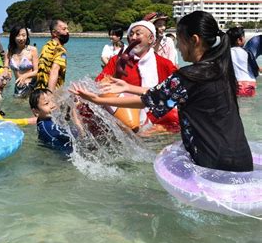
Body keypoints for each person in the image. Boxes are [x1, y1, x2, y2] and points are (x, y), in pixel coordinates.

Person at [71, 11, 253, 172]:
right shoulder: (221, 70)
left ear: (194, 40)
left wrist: (97, 99)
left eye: (179, 41)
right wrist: (127, 87)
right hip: (241, 157)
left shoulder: (188, 75)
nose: (178, 48)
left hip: (212, 162)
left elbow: (149, 100)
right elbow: (165, 92)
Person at [95, 20, 178, 130]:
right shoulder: (117, 60)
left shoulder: (164, 64)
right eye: (131, 34)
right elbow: (99, 85)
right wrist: (116, 74)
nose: (133, 38)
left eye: (138, 34)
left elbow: (177, 93)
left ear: (151, 39)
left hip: (154, 120)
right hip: (124, 115)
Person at [29, 88, 74, 153]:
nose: (52, 105)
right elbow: (76, 137)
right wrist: (76, 118)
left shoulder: (44, 118)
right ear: (36, 111)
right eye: (47, 103)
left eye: (52, 100)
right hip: (66, 156)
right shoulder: (49, 128)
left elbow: (64, 118)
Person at [4, 25, 38, 98]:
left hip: (31, 86)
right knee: (17, 109)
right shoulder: (9, 52)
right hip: (18, 87)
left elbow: (36, 71)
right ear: (13, 37)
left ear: (27, 36)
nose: (21, 38)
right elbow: (5, 67)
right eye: (18, 35)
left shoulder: (32, 50)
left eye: (23, 35)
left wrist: (25, 76)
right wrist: (7, 72)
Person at [35, 20, 69, 91]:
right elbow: (54, 70)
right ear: (54, 33)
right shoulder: (60, 50)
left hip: (39, 91)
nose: (67, 31)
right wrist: (50, 94)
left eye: (67, 28)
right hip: (51, 92)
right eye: (64, 29)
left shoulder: (46, 46)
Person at [227, 27, 257, 97]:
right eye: (244, 37)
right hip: (250, 84)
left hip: (236, 84)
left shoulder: (226, 53)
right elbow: (255, 69)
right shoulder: (247, 52)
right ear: (239, 40)